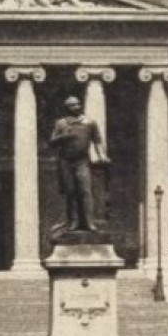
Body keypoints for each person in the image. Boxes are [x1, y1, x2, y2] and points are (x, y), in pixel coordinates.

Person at [50, 95, 107, 233]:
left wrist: (102, 156)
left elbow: (97, 141)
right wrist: (64, 137)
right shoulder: (61, 123)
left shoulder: (89, 122)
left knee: (85, 190)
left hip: (82, 161)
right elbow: (52, 141)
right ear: (67, 108)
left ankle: (89, 222)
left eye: (77, 104)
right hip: (66, 161)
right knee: (71, 192)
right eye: (72, 105)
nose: (76, 107)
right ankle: (73, 222)